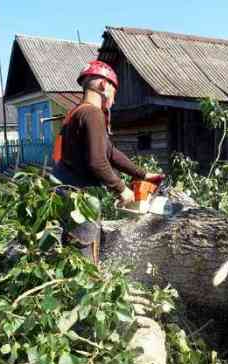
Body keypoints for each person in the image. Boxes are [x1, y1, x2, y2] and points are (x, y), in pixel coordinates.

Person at [52, 60, 164, 263]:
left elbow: (110, 152)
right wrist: (122, 189)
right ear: (105, 86)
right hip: (80, 197)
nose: (114, 96)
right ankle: (85, 291)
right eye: (114, 89)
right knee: (83, 256)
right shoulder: (92, 113)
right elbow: (97, 162)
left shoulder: (77, 112)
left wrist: (143, 175)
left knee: (68, 252)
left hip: (64, 190)